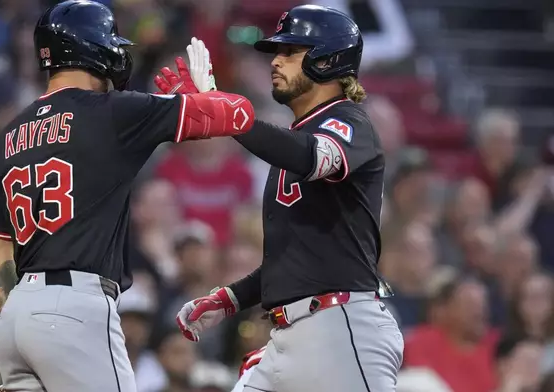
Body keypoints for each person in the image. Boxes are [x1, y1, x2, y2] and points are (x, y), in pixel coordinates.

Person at [0, 1, 255, 391]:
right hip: (75, 307)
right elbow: (236, 114)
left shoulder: (3, 140)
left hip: (16, 317)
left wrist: (23, 320)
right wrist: (203, 95)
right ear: (94, 49)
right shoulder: (112, 111)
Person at [155, 5, 403, 391]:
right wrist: (231, 298)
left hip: (342, 330)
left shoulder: (351, 121)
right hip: (290, 335)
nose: (276, 61)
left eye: (291, 51)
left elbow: (312, 157)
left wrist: (225, 111)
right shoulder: (292, 140)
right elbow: (296, 256)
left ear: (327, 59)